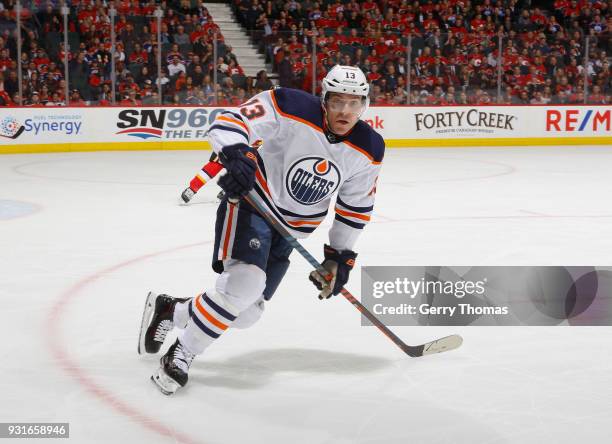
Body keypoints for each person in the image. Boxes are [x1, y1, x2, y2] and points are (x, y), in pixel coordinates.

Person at [139, 65, 385, 395]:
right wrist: (237, 154)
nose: (345, 111)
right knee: (244, 285)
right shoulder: (289, 104)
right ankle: (182, 352)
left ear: (365, 105)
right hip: (252, 205)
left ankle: (173, 309)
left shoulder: (369, 147)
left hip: (290, 233)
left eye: (354, 103)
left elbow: (354, 209)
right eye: (338, 101)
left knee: (247, 314)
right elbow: (232, 120)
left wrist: (339, 257)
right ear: (323, 99)